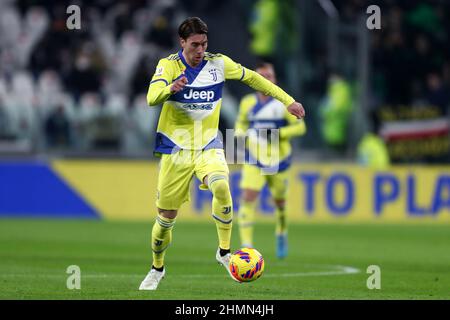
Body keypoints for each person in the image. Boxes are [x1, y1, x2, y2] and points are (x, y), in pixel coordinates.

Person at [139, 17, 305, 290]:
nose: (200, 50)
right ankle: (157, 267)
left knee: (222, 186)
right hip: (176, 149)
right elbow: (151, 97)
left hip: (208, 145)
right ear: (182, 42)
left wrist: (288, 101)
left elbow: (253, 78)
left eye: (204, 44)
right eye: (194, 45)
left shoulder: (218, 63)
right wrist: (171, 88)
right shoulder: (168, 65)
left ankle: (224, 252)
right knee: (165, 222)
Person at [235, 62, 306, 259]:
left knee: (280, 203)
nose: (266, 80)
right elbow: (240, 124)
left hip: (279, 161)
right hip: (254, 159)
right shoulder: (247, 103)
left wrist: (278, 133)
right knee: (248, 198)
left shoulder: (283, 103)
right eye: (262, 76)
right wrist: (242, 136)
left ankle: (281, 232)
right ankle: (246, 246)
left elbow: (300, 128)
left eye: (269, 76)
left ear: (275, 79)